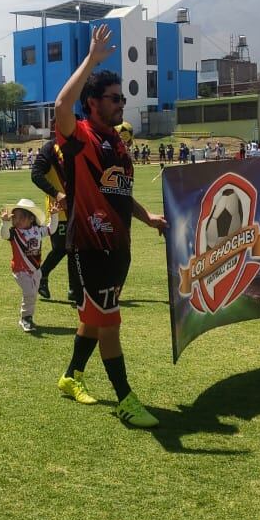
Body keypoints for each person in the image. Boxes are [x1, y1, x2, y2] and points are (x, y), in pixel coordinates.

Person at [53, 24, 168, 429]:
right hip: (90, 245)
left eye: (123, 98)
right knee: (110, 321)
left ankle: (71, 377)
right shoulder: (80, 135)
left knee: (94, 316)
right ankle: (126, 399)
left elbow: (120, 194)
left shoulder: (118, 144)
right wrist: (91, 60)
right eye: (115, 98)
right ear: (94, 102)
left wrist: (147, 215)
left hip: (120, 246)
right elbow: (60, 107)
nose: (122, 103)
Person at [30, 127, 78, 304]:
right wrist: (57, 194)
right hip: (59, 210)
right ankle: (41, 276)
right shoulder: (50, 149)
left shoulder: (77, 147)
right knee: (62, 248)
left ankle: (74, 289)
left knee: (75, 249)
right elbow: (35, 175)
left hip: (78, 207)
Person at [0, 198, 58, 333]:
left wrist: (54, 215)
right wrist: (5, 222)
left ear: (31, 219)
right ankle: (26, 318)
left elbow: (51, 229)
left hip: (36, 270)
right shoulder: (14, 232)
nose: (17, 220)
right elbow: (4, 234)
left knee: (32, 294)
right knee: (30, 293)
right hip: (20, 270)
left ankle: (27, 317)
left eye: (21, 217)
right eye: (15, 217)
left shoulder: (38, 230)